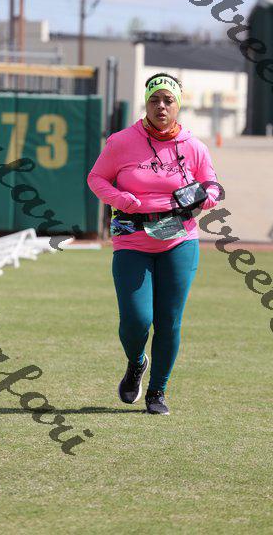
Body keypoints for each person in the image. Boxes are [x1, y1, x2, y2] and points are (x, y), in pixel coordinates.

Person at [87, 73, 220, 415]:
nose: (161, 106)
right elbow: (96, 177)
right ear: (145, 104)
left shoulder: (194, 146)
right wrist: (121, 199)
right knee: (136, 320)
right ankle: (136, 362)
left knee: (169, 321)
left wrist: (207, 197)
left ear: (178, 105)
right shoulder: (121, 141)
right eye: (154, 100)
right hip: (132, 239)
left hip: (179, 239)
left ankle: (157, 392)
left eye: (168, 100)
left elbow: (212, 184)